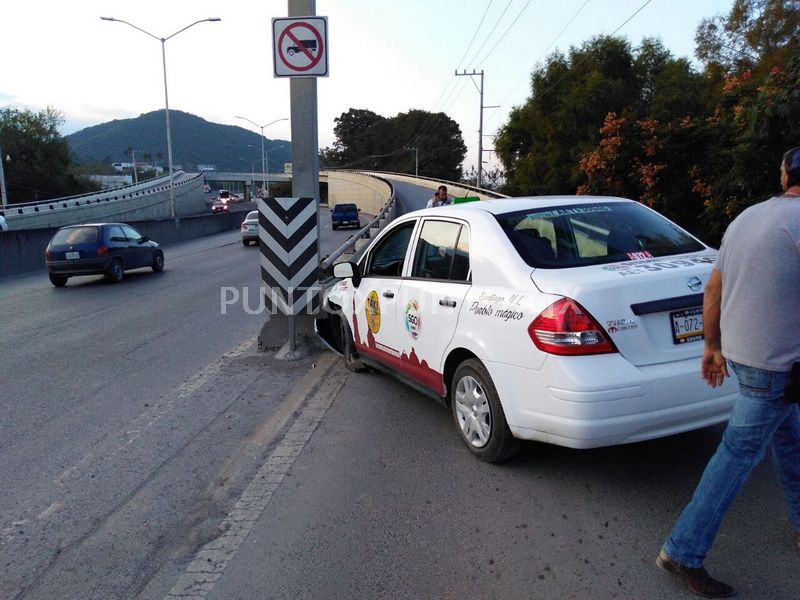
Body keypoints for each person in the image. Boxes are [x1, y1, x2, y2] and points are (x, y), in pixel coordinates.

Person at [656, 147, 800, 598]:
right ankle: (682, 551)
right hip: (779, 366)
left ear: (783, 176)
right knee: (736, 458)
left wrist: (712, 347)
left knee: (791, 436)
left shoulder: (746, 219)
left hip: (744, 355)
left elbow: (714, 286)